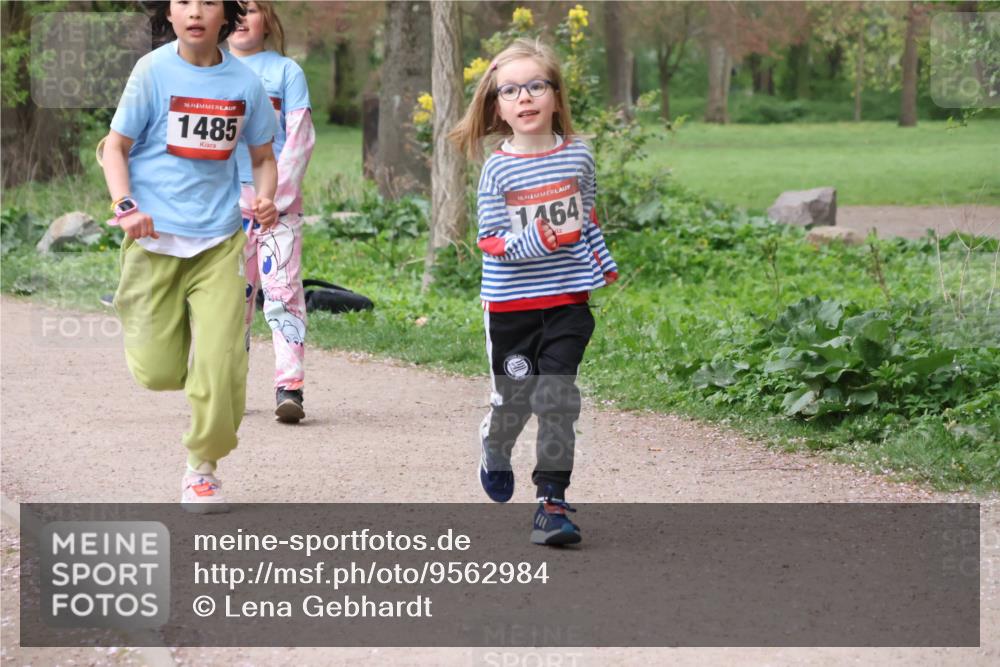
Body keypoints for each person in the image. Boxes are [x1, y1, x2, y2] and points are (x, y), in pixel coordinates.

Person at [101, 0, 278, 513]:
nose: (195, 11)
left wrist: (264, 195)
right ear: (169, 15)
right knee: (157, 371)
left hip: (219, 242)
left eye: (207, 2)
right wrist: (125, 204)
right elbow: (116, 146)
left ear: (227, 15)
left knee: (220, 362)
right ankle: (187, 372)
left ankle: (202, 468)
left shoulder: (244, 84)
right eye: (183, 2)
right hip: (153, 241)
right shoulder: (153, 71)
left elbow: (264, 157)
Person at [449, 38, 619, 546]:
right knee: (515, 401)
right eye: (511, 90)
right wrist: (537, 239)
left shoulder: (580, 155)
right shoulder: (498, 169)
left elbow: (586, 218)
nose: (525, 98)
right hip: (510, 307)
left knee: (557, 396)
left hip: (567, 301)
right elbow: (491, 242)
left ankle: (552, 502)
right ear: (496, 106)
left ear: (556, 97)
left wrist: (601, 264)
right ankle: (495, 445)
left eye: (536, 86)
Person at [228, 0, 315, 423]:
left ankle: (289, 388)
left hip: (278, 211)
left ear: (268, 20)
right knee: (228, 301)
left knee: (282, 296)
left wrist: (275, 198)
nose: (243, 17)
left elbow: (299, 140)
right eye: (235, 8)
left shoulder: (286, 72)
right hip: (224, 211)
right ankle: (227, 384)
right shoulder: (209, 72)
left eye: (253, 8)